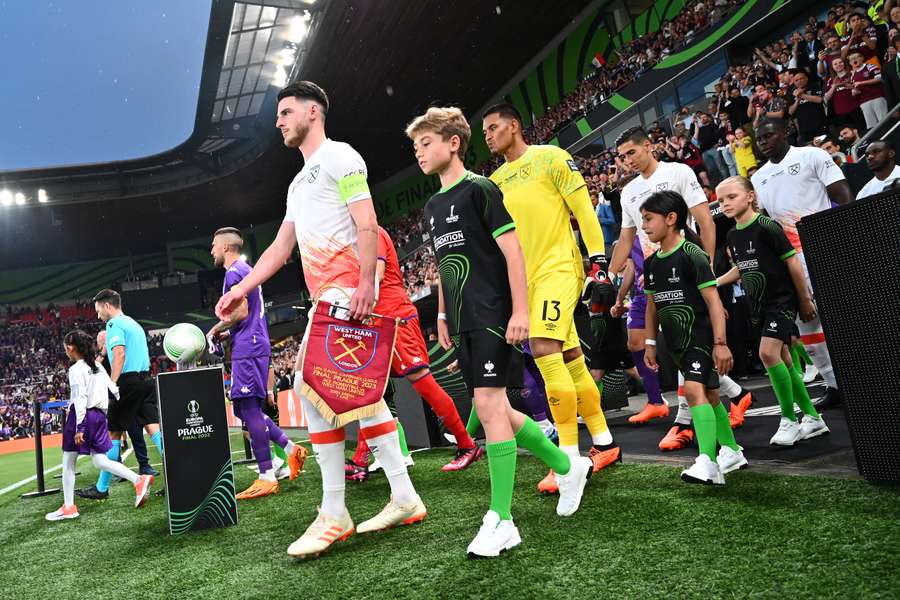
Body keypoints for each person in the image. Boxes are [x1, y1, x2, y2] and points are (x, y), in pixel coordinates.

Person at [216, 81, 424, 559]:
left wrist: (367, 283)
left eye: (286, 112)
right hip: (326, 296)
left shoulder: (340, 156)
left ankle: (334, 512)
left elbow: (366, 220)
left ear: (314, 111)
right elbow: (279, 249)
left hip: (344, 291)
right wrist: (240, 291)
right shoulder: (297, 183)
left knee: (315, 393)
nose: (279, 121)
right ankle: (405, 496)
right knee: (363, 399)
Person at [408, 106, 593, 558]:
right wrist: (443, 315)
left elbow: (513, 254)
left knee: (489, 407)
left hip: (494, 312)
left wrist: (522, 311)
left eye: (426, 142)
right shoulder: (432, 207)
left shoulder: (481, 189)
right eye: (415, 146)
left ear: (454, 142)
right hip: (464, 318)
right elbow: (447, 268)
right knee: (501, 412)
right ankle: (569, 466)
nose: (419, 152)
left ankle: (502, 519)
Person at [484, 103, 621, 493]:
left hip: (560, 269)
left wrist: (598, 261)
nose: (489, 136)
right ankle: (605, 442)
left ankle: (568, 459)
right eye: (485, 132)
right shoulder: (494, 181)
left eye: (494, 128)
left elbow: (583, 209)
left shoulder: (552, 158)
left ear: (515, 125)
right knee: (572, 361)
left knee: (545, 349)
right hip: (525, 284)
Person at [608, 127, 752, 449]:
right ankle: (731, 405)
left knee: (690, 344)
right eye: (621, 156)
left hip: (687, 273)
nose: (627, 160)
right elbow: (627, 238)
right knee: (678, 347)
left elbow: (706, 221)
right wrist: (607, 269)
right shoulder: (627, 192)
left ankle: (689, 426)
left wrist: (708, 269)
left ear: (648, 146)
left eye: (631, 152)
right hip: (655, 278)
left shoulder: (679, 171)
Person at [346, 225, 481, 477]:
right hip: (377, 321)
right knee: (371, 392)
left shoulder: (371, 231)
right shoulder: (356, 236)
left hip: (394, 318)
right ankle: (361, 459)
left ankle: (467, 444)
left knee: (423, 384)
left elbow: (378, 273)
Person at [640, 192, 746, 485]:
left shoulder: (692, 254)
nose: (645, 226)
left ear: (671, 219)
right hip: (674, 344)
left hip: (700, 338)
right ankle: (733, 450)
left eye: (649, 219)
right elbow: (652, 307)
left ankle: (708, 462)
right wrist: (650, 343)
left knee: (694, 391)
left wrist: (720, 344)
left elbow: (713, 302)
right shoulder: (651, 264)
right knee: (711, 396)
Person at [716, 177, 829, 446]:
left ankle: (789, 419)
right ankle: (813, 418)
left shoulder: (767, 226)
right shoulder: (732, 234)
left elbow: (792, 262)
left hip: (781, 301)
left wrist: (804, 299)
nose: (725, 204)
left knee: (767, 353)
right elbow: (742, 268)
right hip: (759, 306)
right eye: (721, 200)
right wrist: (714, 283)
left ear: (750, 197)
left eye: (731, 197)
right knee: (785, 361)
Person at [751, 118, 852, 410]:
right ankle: (834, 385)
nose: (764, 142)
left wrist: (846, 237)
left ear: (785, 133)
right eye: (760, 139)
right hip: (790, 258)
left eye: (769, 135)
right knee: (806, 324)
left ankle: (861, 376)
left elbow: (842, 193)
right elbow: (768, 222)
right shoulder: (759, 178)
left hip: (822, 248)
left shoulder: (812, 155)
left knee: (840, 316)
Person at [207, 227, 307, 500]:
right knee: (241, 408)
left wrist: (216, 329)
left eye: (214, 246)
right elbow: (244, 314)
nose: (212, 251)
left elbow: (240, 311)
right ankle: (289, 449)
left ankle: (266, 475)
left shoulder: (233, 273)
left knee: (249, 408)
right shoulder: (246, 270)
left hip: (249, 346)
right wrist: (228, 332)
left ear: (227, 247)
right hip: (250, 342)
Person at [46, 330, 153, 521]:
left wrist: (79, 427)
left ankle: (69, 507)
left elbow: (80, 398)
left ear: (70, 348)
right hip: (100, 416)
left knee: (68, 463)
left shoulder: (75, 369)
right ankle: (138, 479)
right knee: (100, 460)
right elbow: (114, 389)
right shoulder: (97, 366)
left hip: (83, 416)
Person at [77, 289, 163, 500]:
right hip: (146, 381)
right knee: (154, 429)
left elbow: (120, 354)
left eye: (98, 311)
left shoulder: (114, 324)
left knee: (113, 434)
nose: (98, 316)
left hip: (127, 382)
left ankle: (101, 487)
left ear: (108, 306)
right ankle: (180, 474)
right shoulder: (133, 323)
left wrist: (112, 384)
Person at [96, 330, 157, 479]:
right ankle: (118, 469)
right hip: (111, 399)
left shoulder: (119, 352)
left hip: (126, 394)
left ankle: (144, 465)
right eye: (102, 341)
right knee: (114, 433)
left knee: (134, 431)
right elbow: (94, 368)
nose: (106, 342)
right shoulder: (101, 358)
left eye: (107, 340)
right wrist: (103, 353)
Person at [848, 51, 889, 129]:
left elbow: (879, 78)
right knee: (871, 127)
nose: (854, 60)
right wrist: (854, 91)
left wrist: (861, 83)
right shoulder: (853, 75)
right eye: (852, 59)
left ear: (862, 58)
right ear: (850, 63)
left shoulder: (870, 66)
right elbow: (858, 90)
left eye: (856, 57)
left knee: (884, 122)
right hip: (864, 102)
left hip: (877, 97)